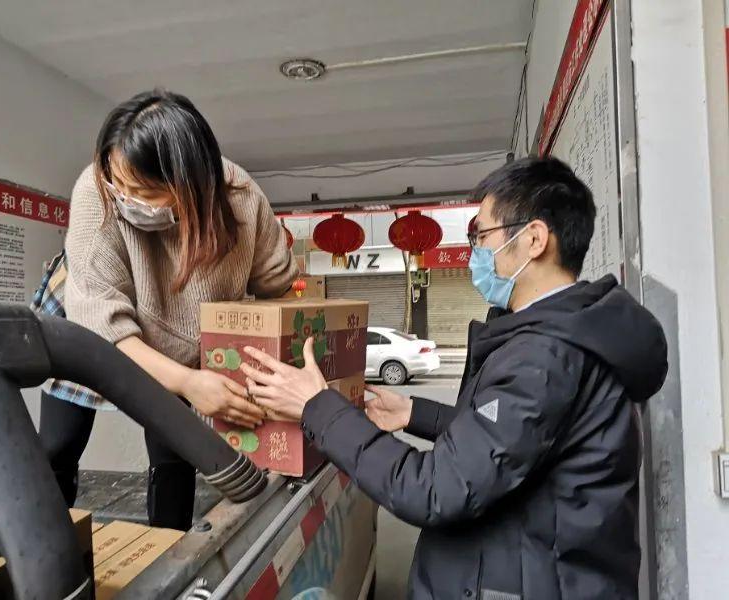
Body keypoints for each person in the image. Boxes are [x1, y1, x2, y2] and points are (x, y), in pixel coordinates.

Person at [239, 157, 668, 599]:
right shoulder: (560, 335)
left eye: (481, 235)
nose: (474, 250)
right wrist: (413, 413)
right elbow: (510, 445)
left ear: (534, 239)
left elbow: (436, 489)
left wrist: (319, 407)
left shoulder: (545, 355)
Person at [36, 89, 297, 530]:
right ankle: (51, 547)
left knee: (174, 451)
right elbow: (104, 329)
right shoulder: (95, 189)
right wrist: (189, 382)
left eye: (142, 190)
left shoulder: (238, 195)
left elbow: (277, 281)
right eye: (118, 182)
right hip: (89, 321)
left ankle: (169, 548)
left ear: (191, 185)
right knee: (58, 445)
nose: (125, 197)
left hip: (176, 337)